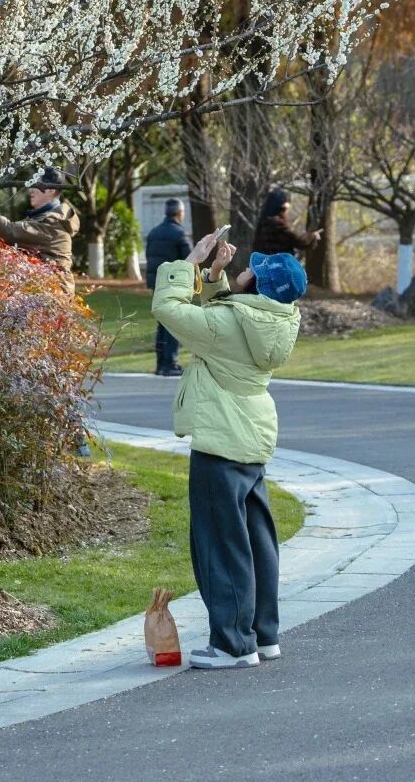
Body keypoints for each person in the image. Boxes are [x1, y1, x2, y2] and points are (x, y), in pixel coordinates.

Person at [152, 228, 307, 669]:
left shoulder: (229, 325)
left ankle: (232, 645)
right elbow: (225, 322)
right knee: (257, 541)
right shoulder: (272, 322)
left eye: (249, 272)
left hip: (221, 439)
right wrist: (217, 276)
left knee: (220, 545)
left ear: (254, 286)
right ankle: (262, 635)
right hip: (251, 438)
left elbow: (169, 307)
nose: (244, 272)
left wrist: (192, 262)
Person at [0, 166, 79, 297]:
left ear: (50, 189)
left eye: (35, 184)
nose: (30, 190)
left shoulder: (52, 224)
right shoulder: (45, 218)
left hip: (52, 297)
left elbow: (7, 231)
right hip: (45, 293)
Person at [144, 197, 190, 375]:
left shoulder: (154, 232)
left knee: (162, 322)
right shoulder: (179, 234)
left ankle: (160, 364)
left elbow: (149, 257)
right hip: (173, 284)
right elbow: (189, 260)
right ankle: (170, 363)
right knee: (173, 323)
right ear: (180, 213)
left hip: (157, 284)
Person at [253, 185, 321, 258]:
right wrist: (313, 236)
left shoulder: (262, 222)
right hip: (279, 265)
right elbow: (298, 241)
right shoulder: (278, 224)